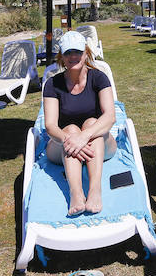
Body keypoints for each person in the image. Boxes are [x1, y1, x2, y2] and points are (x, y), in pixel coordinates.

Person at [42, 31, 116, 216]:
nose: (73, 56)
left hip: (98, 145)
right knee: (70, 129)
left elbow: (109, 117)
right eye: (68, 53)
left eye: (77, 52)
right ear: (61, 56)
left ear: (86, 53)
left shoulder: (99, 78)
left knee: (92, 123)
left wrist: (82, 137)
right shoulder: (53, 84)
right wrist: (72, 138)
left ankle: (94, 190)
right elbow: (51, 126)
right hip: (62, 145)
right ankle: (76, 192)